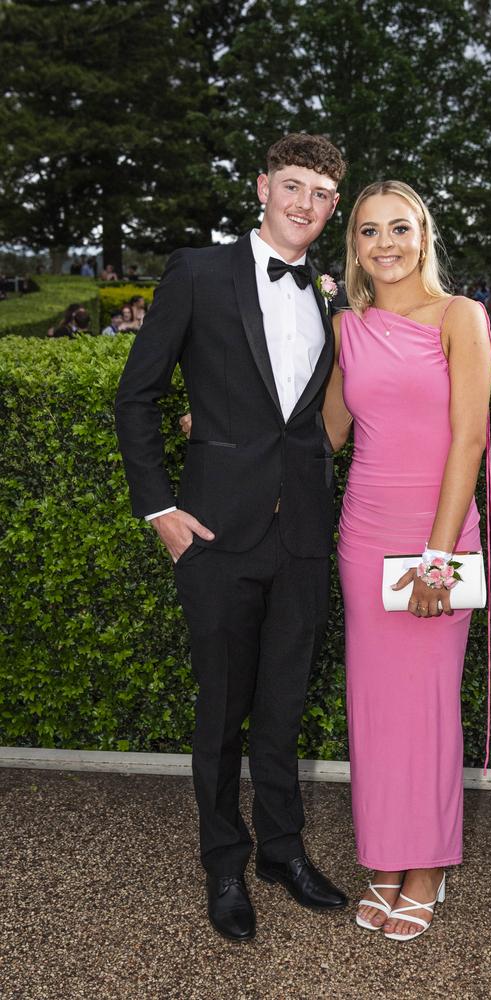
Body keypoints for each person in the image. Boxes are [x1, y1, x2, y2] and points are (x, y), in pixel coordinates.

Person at [114, 133, 348, 943]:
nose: (305, 205)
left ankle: (283, 851)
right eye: (293, 186)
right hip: (214, 532)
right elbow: (136, 397)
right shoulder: (198, 272)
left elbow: (312, 414)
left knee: (284, 708)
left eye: (321, 194)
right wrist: (159, 511)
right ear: (261, 187)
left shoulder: (331, 292)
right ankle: (225, 860)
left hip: (304, 535)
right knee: (222, 712)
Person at [321, 180, 491, 940]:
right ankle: (386, 855)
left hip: (439, 537)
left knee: (426, 703)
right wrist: (225, 430)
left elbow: (469, 439)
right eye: (368, 232)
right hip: (363, 533)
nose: (384, 244)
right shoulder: (347, 327)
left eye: (399, 228)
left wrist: (435, 557)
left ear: (423, 235)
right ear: (353, 246)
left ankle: (426, 868)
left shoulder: (462, 318)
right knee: (375, 703)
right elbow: (322, 435)